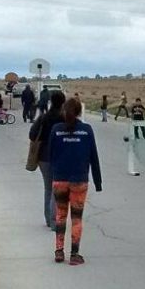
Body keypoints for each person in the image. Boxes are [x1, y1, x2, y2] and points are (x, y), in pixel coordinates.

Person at [47, 97, 103, 266]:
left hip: (59, 179)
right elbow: (93, 157)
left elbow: (51, 155)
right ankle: (74, 254)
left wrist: (54, 175)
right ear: (79, 112)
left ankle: (58, 251)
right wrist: (98, 181)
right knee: (77, 218)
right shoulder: (86, 130)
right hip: (79, 180)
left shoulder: (56, 130)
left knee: (60, 215)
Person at [31, 92, 66, 229]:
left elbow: (32, 134)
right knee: (56, 188)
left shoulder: (43, 118)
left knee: (48, 188)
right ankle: (54, 220)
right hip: (59, 156)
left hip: (43, 156)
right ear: (63, 102)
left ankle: (48, 218)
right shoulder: (63, 119)